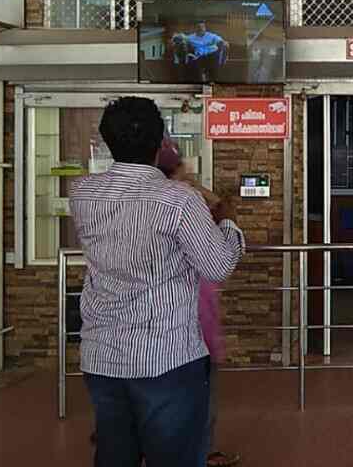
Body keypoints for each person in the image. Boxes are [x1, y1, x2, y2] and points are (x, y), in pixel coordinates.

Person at [71, 97, 245, 467]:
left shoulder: (83, 193)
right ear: (161, 140)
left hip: (102, 356)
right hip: (166, 359)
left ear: (106, 140)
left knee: (115, 456)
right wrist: (227, 223)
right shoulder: (177, 200)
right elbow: (218, 265)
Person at [156, 139, 241, 467]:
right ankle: (199, 454)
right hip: (191, 326)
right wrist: (198, 191)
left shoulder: (149, 203)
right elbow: (221, 249)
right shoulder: (183, 206)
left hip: (167, 329)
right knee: (198, 399)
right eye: (182, 167)